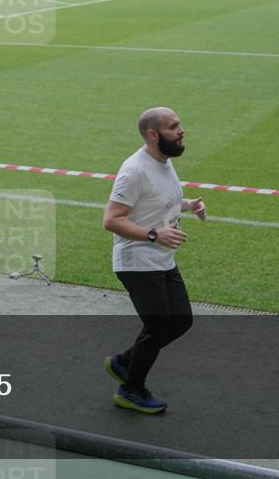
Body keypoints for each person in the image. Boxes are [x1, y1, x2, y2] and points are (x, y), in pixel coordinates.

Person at [101, 107, 207, 414]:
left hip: (161, 259)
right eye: (173, 127)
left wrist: (187, 205)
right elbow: (111, 220)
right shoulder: (134, 170)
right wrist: (152, 235)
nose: (181, 130)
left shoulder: (164, 161)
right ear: (153, 135)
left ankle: (124, 362)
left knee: (181, 321)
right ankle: (131, 390)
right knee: (159, 327)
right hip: (137, 261)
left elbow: (158, 201)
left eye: (179, 124)